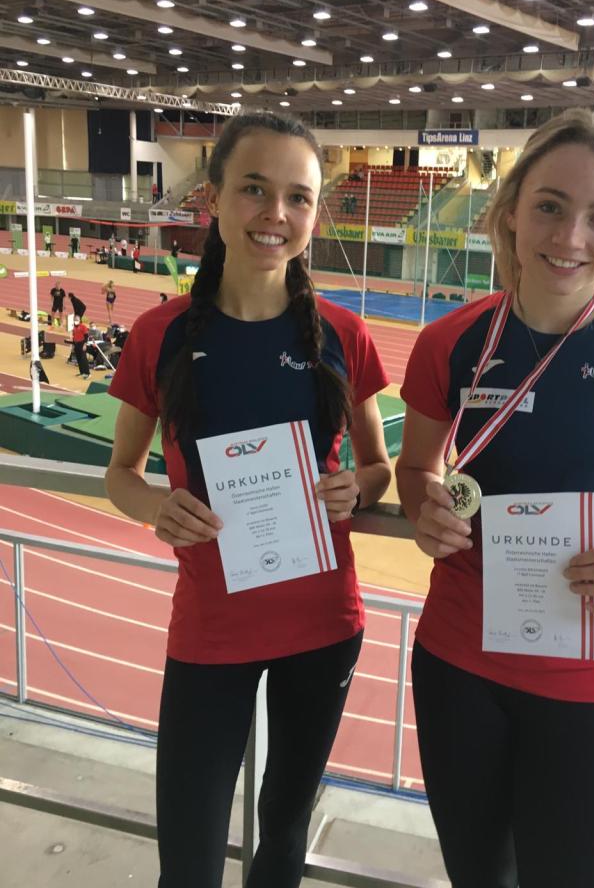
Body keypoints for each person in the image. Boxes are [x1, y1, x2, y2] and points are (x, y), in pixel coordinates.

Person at [396, 108, 594, 888]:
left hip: (583, 674)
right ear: (510, 211)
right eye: (550, 206)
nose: (571, 237)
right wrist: (425, 507)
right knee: (478, 877)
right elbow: (416, 468)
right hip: (457, 663)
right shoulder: (450, 343)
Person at [104, 111, 391, 888]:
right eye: (255, 189)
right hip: (210, 632)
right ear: (214, 198)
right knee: (188, 858)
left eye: (298, 197)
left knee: (284, 837)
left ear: (314, 213)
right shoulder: (160, 334)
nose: (276, 214)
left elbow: (377, 468)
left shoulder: (343, 334)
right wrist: (154, 509)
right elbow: (121, 472)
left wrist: (356, 487)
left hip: (322, 628)